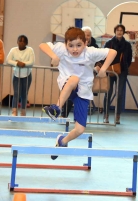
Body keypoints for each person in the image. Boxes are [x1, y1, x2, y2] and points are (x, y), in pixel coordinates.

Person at [39, 27, 116, 160]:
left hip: (84, 91)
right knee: (74, 79)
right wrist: (53, 56)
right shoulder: (62, 49)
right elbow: (42, 45)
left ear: (86, 43)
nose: (75, 49)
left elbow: (113, 52)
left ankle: (62, 141)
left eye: (79, 46)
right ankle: (56, 108)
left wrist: (103, 69)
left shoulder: (90, 52)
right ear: (66, 44)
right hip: (67, 84)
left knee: (80, 130)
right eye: (71, 46)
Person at [61, 26, 99, 118]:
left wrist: (99, 67)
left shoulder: (94, 47)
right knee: (70, 94)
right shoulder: (70, 48)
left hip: (86, 77)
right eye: (85, 35)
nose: (87, 36)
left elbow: (99, 57)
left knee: (82, 97)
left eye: (89, 35)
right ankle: (63, 113)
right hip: (73, 76)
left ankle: (79, 118)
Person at [103, 24, 132, 124]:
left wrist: (124, 67)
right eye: (117, 30)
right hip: (110, 71)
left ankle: (117, 116)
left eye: (121, 30)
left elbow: (129, 59)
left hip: (122, 72)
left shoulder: (127, 45)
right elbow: (103, 56)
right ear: (115, 31)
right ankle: (106, 116)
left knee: (119, 94)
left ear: (123, 32)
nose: (119, 32)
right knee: (108, 93)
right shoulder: (109, 43)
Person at [6, 35, 35, 116]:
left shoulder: (30, 50)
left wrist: (23, 64)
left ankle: (23, 111)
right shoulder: (13, 50)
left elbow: (32, 62)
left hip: (27, 75)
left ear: (26, 43)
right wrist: (16, 63)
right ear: (17, 42)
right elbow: (8, 60)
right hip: (16, 75)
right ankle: (14, 111)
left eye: (23, 41)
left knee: (24, 94)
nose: (21, 42)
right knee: (16, 93)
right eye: (20, 41)